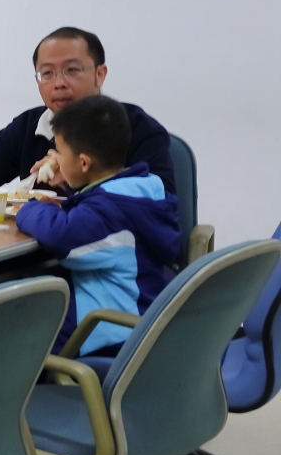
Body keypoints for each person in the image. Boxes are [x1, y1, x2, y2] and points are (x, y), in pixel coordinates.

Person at [15, 95, 180, 356]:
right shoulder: (140, 190)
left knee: (17, 339)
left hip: (111, 330)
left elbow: (61, 235)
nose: (55, 158)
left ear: (83, 163)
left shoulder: (107, 210)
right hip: (141, 312)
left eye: (59, 151)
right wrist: (70, 192)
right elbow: (96, 210)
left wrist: (29, 208)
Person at [0, 27, 175, 194]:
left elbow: (161, 196)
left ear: (100, 74)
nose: (59, 83)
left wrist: (80, 177)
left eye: (72, 70)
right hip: (36, 243)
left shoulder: (136, 127)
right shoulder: (29, 126)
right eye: (47, 73)